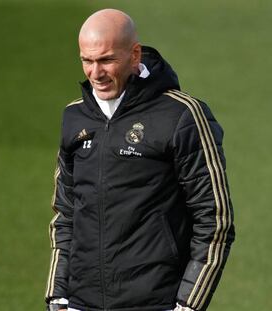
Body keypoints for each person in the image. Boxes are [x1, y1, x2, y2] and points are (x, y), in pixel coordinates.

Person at [45, 9, 234, 311]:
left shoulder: (182, 116)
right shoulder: (75, 116)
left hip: (155, 302)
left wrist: (188, 305)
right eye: (86, 60)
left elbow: (215, 220)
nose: (95, 73)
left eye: (106, 60)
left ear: (134, 55)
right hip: (81, 303)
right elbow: (65, 214)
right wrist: (58, 296)